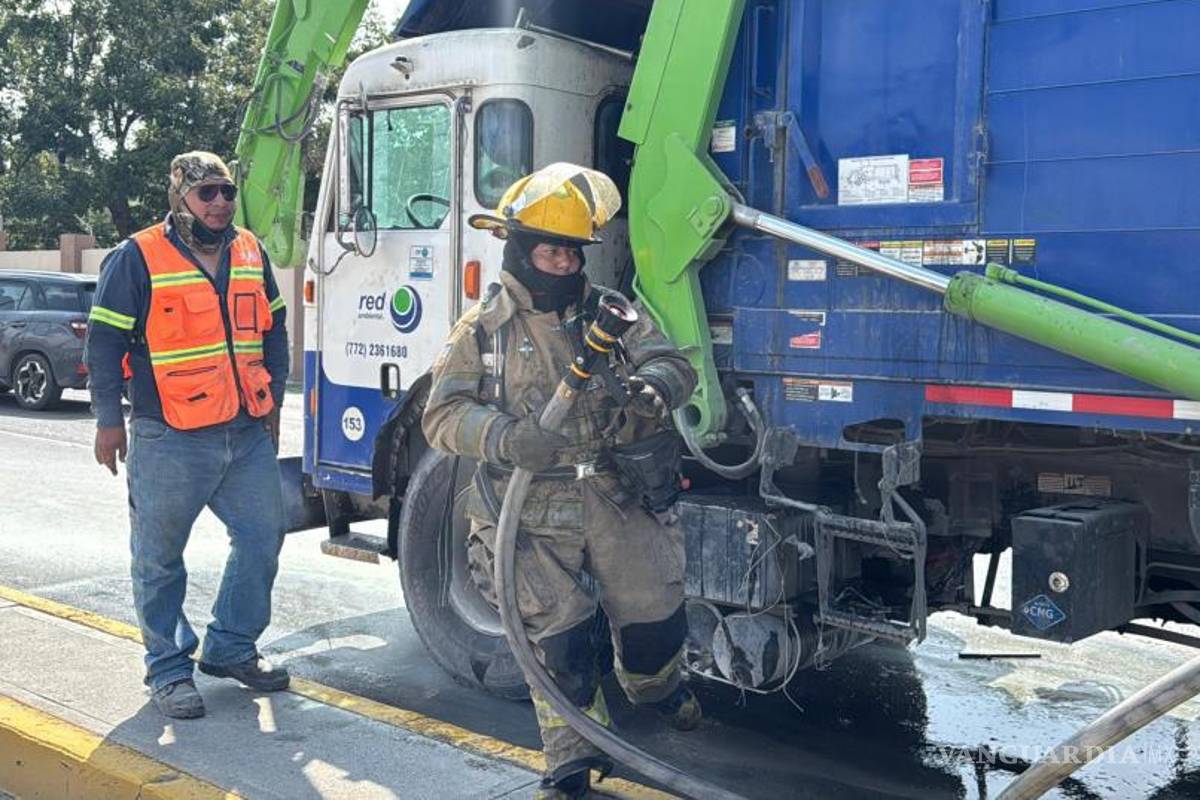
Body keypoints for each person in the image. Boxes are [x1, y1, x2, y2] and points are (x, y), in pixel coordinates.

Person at [423, 163, 701, 799]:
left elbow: (671, 363)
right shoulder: (484, 330)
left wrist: (654, 387)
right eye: (547, 249)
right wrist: (503, 437)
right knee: (560, 646)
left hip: (613, 492)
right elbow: (441, 415)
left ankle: (656, 689)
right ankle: (571, 765)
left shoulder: (610, 316)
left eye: (571, 251)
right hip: (528, 510)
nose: (560, 262)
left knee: (656, 624)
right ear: (521, 249)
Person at [85, 151, 291, 720]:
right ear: (180, 198)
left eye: (226, 191)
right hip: (169, 434)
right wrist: (107, 420)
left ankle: (230, 647)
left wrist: (272, 394)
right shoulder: (137, 256)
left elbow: (274, 328)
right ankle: (169, 668)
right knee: (159, 559)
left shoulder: (250, 249)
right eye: (208, 193)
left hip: (244, 429)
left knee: (263, 535)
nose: (221, 202)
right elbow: (103, 345)